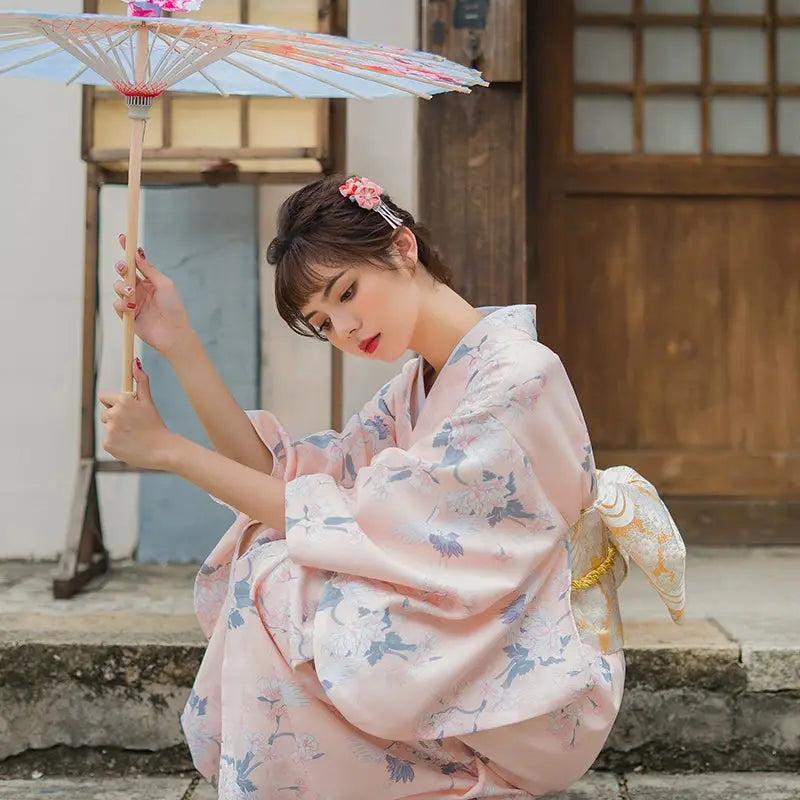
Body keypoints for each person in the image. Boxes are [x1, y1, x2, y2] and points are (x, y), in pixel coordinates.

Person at [99, 175, 686, 799]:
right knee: (272, 559)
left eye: (347, 293)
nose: (346, 329)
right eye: (323, 324)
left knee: (280, 581)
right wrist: (180, 343)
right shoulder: (415, 388)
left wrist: (169, 451)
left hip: (535, 687)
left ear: (403, 247)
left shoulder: (517, 376)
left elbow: (358, 522)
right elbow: (291, 484)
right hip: (472, 655)